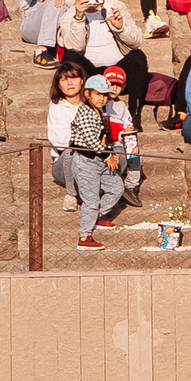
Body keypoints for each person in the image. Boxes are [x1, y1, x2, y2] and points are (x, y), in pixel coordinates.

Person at [65, 70, 123, 250]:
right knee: (90, 200)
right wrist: (108, 154)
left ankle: (99, 216)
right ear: (87, 93)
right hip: (86, 161)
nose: (102, 98)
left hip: (99, 160)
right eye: (98, 94)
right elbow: (90, 140)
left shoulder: (97, 110)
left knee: (116, 187)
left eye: (105, 95)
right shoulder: (85, 112)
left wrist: (110, 153)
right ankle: (84, 236)